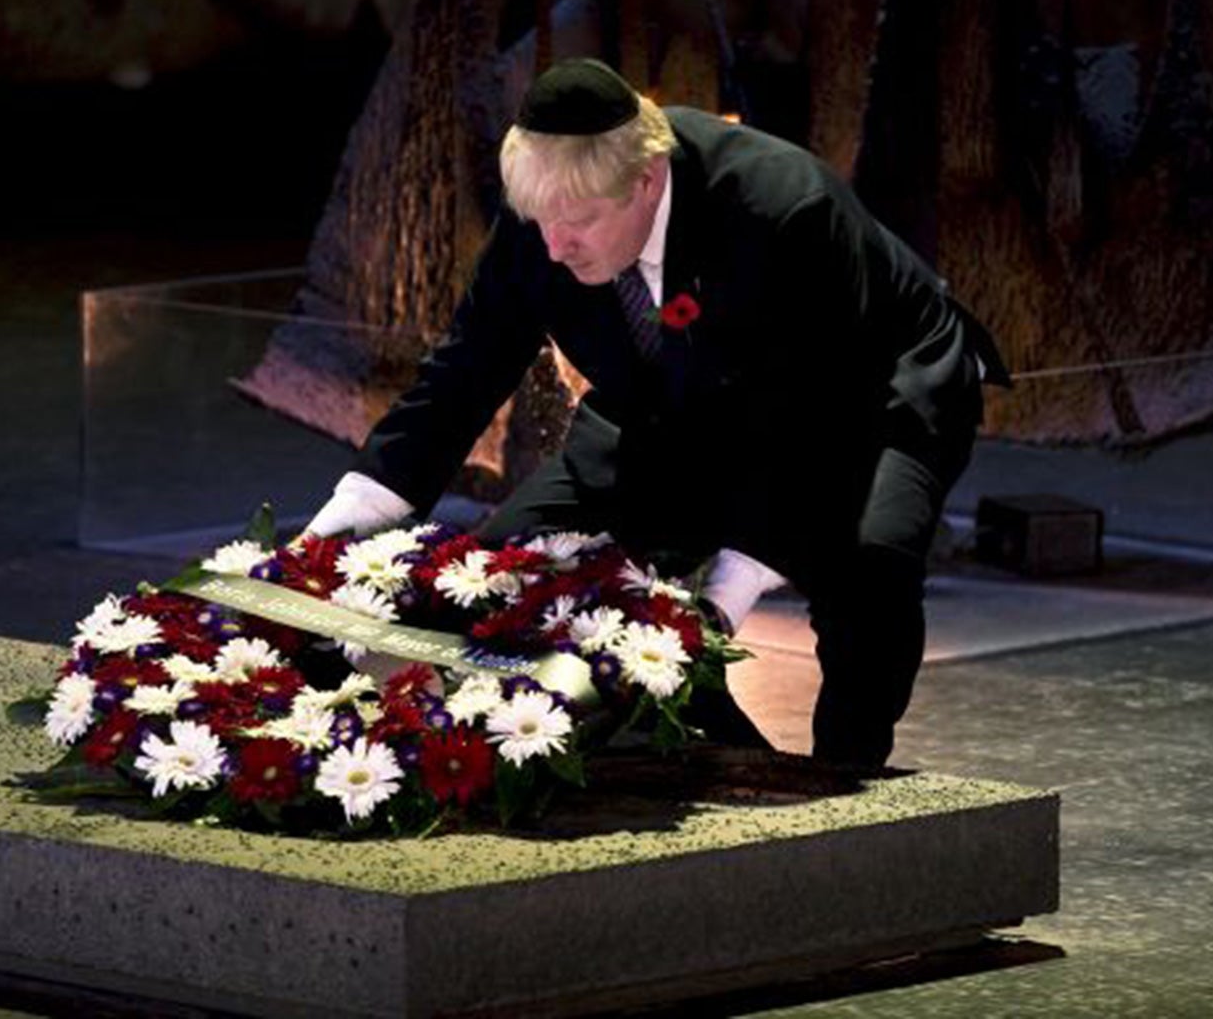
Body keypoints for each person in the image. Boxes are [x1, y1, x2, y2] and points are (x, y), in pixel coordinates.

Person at [304, 57, 1006, 769]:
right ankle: (717, 751)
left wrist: (726, 595)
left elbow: (814, 421)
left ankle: (851, 788)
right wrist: (342, 522)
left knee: (865, 570)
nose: (554, 245)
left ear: (645, 181)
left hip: (866, 394)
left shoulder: (784, 208)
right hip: (673, 395)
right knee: (508, 568)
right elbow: (466, 368)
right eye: (540, 219)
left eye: (576, 222)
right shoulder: (547, 213)